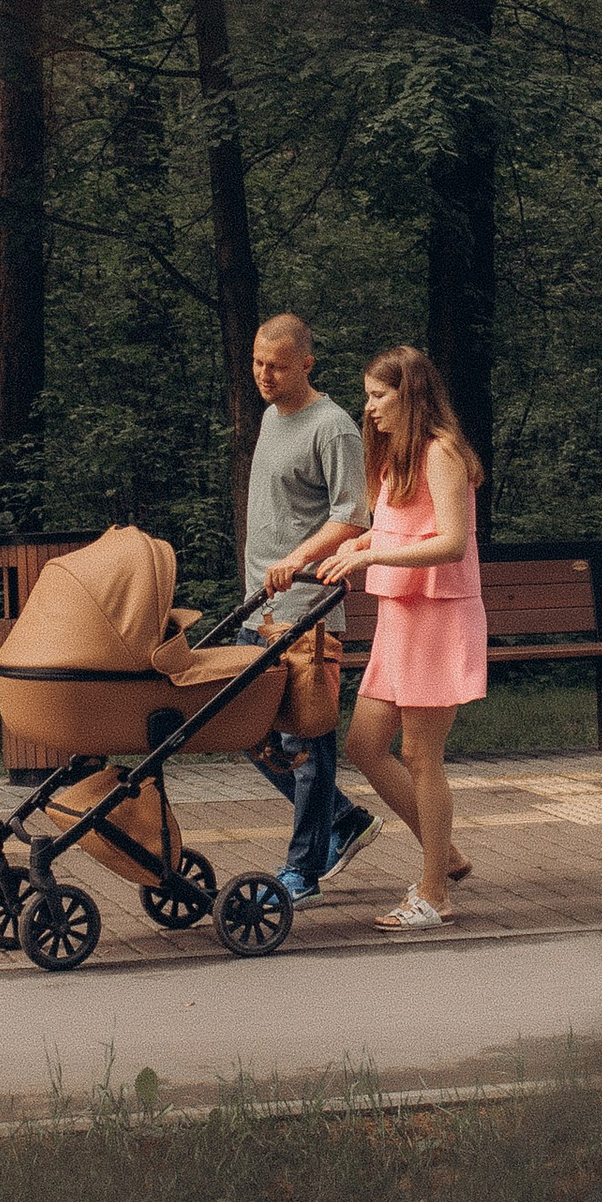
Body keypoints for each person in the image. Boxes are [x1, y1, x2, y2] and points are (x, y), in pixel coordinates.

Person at [314, 341, 485, 933]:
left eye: (378, 395)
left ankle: (435, 893)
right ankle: (445, 852)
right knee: (364, 745)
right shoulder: (395, 458)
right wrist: (358, 544)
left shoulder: (442, 453)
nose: (369, 408)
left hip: (437, 617)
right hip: (402, 616)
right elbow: (398, 526)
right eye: (367, 396)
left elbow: (452, 543)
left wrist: (370, 555)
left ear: (409, 395)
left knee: (419, 755)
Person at [243, 315, 379, 904]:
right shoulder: (271, 417)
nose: (264, 375)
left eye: (276, 365)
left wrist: (296, 559)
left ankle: (302, 871)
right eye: (257, 363)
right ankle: (342, 821)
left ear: (306, 364)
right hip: (259, 608)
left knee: (307, 742)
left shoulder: (334, 428)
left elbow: (353, 517)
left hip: (308, 608)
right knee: (244, 729)